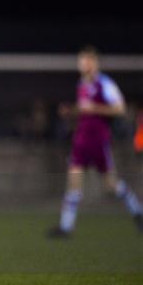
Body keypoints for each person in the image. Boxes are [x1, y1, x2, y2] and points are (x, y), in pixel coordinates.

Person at [48, 46, 143, 238]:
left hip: (99, 141)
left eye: (86, 61)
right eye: (81, 61)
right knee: (73, 182)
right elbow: (84, 110)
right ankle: (66, 227)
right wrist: (71, 111)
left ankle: (137, 211)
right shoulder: (82, 84)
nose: (82, 64)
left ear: (94, 63)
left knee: (111, 185)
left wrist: (95, 108)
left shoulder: (105, 84)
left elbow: (120, 109)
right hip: (81, 140)